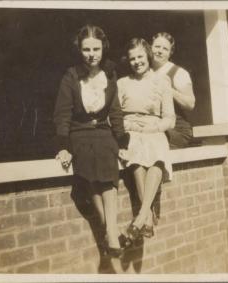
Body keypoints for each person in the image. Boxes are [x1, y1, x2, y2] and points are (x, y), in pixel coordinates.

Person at [53, 24, 130, 257]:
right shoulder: (71, 75)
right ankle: (113, 231)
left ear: (103, 48)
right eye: (86, 49)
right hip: (79, 132)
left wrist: (123, 142)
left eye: (96, 49)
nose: (91, 54)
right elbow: (62, 114)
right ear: (80, 50)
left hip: (104, 131)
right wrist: (64, 147)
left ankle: (110, 231)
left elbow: (115, 112)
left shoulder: (110, 72)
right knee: (90, 170)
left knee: (107, 159)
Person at [117, 38, 175, 240]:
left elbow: (170, 118)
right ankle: (146, 218)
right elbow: (113, 116)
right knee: (135, 153)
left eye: (140, 56)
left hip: (154, 129)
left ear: (148, 56)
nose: (137, 62)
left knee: (157, 152)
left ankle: (141, 216)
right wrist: (129, 125)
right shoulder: (122, 83)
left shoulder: (162, 81)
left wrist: (155, 127)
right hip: (130, 129)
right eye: (132, 58)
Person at [151, 32, 196, 149]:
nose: (160, 51)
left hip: (177, 130)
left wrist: (169, 90)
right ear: (150, 47)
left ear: (170, 53)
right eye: (157, 46)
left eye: (165, 49)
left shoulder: (178, 73)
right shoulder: (145, 71)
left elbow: (190, 104)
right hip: (155, 127)